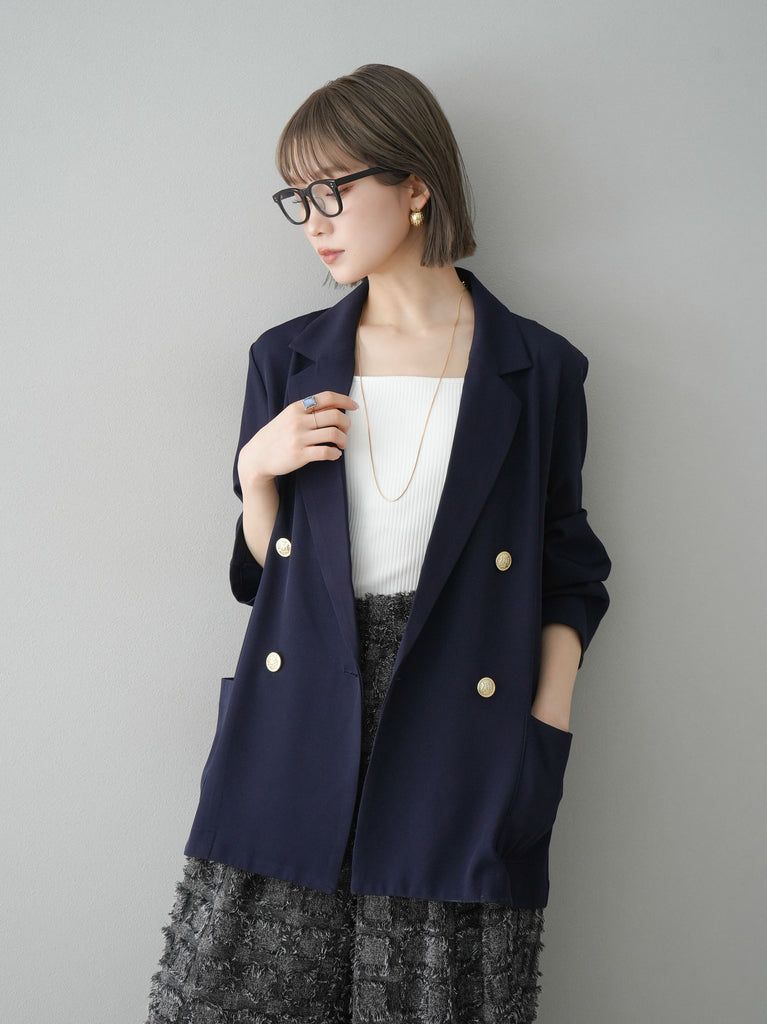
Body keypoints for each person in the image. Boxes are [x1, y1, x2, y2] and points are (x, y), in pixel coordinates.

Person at [146, 63, 611, 1024]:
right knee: (237, 996)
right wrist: (256, 473)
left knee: (429, 1000)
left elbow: (568, 565)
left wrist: (544, 723)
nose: (312, 221)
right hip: (302, 705)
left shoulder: (536, 368)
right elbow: (267, 578)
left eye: (333, 189)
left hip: (463, 718)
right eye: (297, 197)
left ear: (415, 187)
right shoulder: (286, 358)